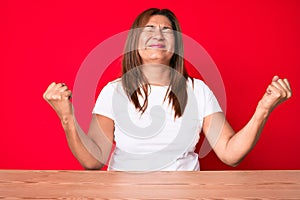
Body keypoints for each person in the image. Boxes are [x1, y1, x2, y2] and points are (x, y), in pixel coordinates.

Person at [43, 8, 292, 171]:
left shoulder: (198, 90)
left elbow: (230, 154)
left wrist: (263, 110)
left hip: (184, 194)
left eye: (166, 30)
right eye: (148, 29)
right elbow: (93, 160)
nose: (158, 35)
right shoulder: (114, 91)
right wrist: (67, 117)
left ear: (176, 44)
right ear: (134, 42)